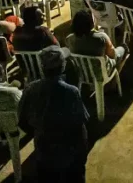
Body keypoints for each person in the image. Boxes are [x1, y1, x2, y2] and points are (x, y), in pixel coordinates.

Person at [18, 45, 89, 181]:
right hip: (70, 152)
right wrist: (82, 153)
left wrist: (39, 132)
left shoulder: (30, 89)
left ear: (42, 67)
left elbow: (22, 120)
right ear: (63, 66)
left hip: (43, 150)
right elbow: (80, 125)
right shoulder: (71, 91)